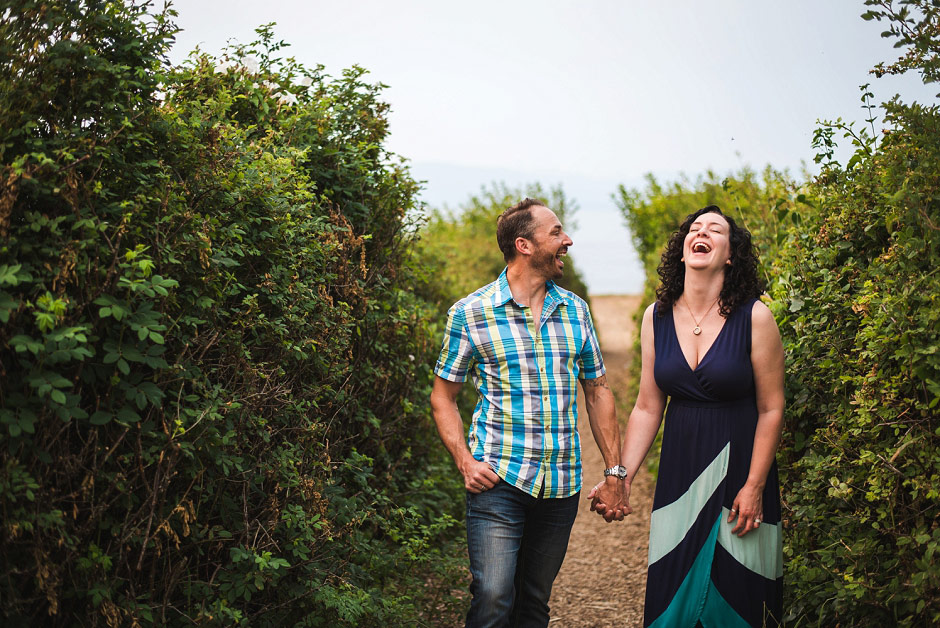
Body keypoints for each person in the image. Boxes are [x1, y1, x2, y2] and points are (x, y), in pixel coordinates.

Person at [430, 198, 628, 628]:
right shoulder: (471, 313)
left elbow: (597, 390)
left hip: (561, 485)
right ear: (524, 245)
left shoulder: (574, 310)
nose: (567, 240)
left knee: (534, 602)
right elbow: (443, 396)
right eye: (556, 232)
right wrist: (464, 461)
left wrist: (616, 472)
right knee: (493, 596)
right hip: (498, 480)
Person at [590, 205, 785, 627]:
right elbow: (647, 405)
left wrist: (755, 485)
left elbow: (771, 408)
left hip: (741, 472)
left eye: (716, 230)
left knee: (741, 592)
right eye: (695, 229)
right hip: (681, 472)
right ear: (682, 251)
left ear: (730, 255)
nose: (703, 233)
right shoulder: (655, 317)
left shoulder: (756, 317)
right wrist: (621, 477)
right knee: (672, 593)